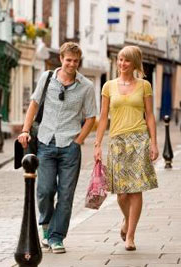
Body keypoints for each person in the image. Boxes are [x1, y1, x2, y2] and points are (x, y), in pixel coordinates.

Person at [18, 42, 97, 254]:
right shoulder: (46, 78)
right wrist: (25, 130)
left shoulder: (86, 86)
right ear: (61, 59)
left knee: (66, 194)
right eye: (68, 60)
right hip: (45, 142)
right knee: (44, 190)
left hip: (70, 147)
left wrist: (78, 141)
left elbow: (91, 118)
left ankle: (56, 237)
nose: (72, 64)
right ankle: (46, 226)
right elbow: (34, 105)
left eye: (75, 61)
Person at [94, 45, 158, 251]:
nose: (122, 64)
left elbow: (149, 115)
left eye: (127, 60)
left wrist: (154, 142)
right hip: (117, 141)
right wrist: (97, 145)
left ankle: (130, 235)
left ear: (134, 63)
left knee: (136, 190)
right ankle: (126, 219)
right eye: (120, 60)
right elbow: (103, 117)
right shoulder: (108, 86)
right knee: (121, 194)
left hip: (139, 140)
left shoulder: (144, 86)